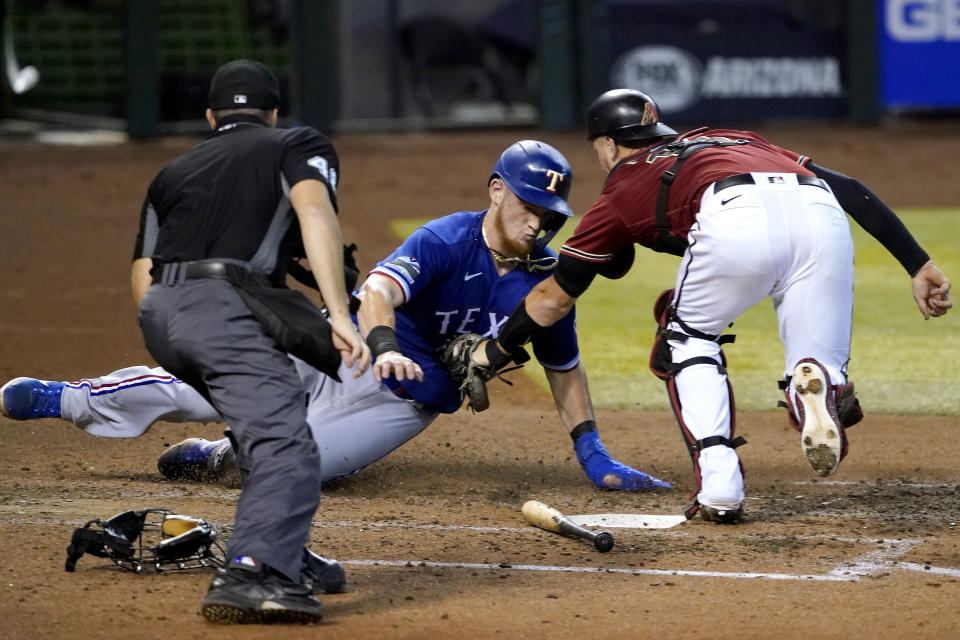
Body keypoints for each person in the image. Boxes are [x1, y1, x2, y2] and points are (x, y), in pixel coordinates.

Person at [0, 139, 670, 494]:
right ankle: (72, 398)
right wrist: (380, 343)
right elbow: (379, 290)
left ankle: (222, 456)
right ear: (496, 191)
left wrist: (594, 453)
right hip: (338, 344)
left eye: (549, 216)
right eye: (526, 204)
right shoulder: (445, 238)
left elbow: (564, 367)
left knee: (297, 467)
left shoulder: (545, 286)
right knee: (193, 385)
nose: (537, 221)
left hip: (400, 404)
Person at [466, 89, 953, 525]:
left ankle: (721, 485)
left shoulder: (621, 186)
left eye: (598, 151)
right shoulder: (729, 137)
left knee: (684, 335)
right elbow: (847, 188)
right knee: (816, 360)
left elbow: (552, 298)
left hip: (733, 216)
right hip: (820, 215)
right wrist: (917, 264)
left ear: (609, 144)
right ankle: (818, 381)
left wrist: (496, 349)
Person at [132, 59, 369, 624]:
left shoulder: (172, 171)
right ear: (275, 113)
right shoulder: (296, 143)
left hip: (161, 314)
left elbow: (144, 271)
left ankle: (286, 551)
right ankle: (252, 571)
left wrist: (186, 339)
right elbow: (314, 212)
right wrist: (337, 311)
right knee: (287, 442)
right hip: (223, 308)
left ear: (211, 116)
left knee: (276, 413)